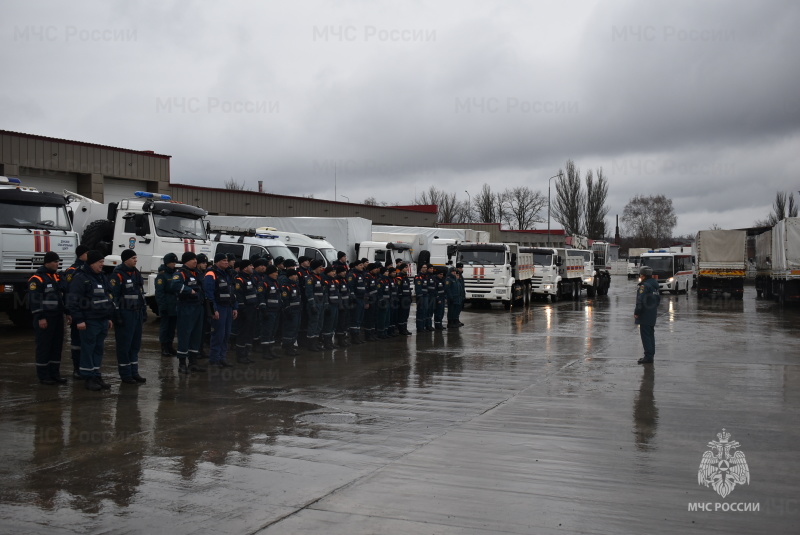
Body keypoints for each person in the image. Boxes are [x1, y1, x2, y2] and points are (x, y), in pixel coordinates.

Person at [68, 250, 115, 391]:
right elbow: (73, 301)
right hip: (89, 320)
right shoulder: (80, 278)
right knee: (88, 349)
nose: (102, 265)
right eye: (100, 262)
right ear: (92, 263)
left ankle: (96, 375)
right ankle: (88, 377)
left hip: (101, 319)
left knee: (98, 349)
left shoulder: (101, 277)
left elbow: (107, 297)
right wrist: (79, 320)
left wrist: (108, 317)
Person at [28, 251, 67, 385]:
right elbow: (35, 300)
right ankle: (44, 376)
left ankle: (54, 374)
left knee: (56, 346)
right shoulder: (37, 279)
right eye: (55, 262)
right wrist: (40, 317)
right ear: (47, 263)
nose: (57, 264)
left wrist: (67, 313)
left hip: (57, 317)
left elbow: (62, 297)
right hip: (45, 318)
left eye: (58, 261)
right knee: (44, 346)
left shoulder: (55, 277)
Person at [110, 249, 147, 384]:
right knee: (124, 345)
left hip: (136, 312)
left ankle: (134, 372)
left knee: (135, 345)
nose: (135, 260)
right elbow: (114, 296)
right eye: (133, 258)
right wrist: (117, 315)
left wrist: (143, 311)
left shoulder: (136, 273)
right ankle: (125, 374)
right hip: (125, 313)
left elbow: (141, 294)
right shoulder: (118, 275)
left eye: (136, 258)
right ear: (125, 260)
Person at [170, 251, 207, 374]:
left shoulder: (197, 273)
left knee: (196, 335)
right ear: (186, 261)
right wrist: (188, 290)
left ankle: (193, 362)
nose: (195, 261)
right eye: (192, 259)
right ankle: (182, 364)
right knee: (185, 334)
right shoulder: (180, 273)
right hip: (186, 307)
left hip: (198, 307)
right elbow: (175, 286)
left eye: (196, 259)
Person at [204, 253, 238, 368]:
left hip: (228, 307)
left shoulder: (228, 273)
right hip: (219, 307)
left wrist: (235, 307)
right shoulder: (211, 274)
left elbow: (232, 292)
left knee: (226, 334)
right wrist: (214, 309)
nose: (226, 262)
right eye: (224, 260)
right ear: (217, 262)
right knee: (218, 334)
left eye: (227, 260)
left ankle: (222, 358)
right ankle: (214, 359)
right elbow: (209, 293)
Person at [61, 244, 89, 378]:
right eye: (87, 253)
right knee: (77, 342)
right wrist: (69, 312)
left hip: (87, 312)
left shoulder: (88, 270)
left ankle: (85, 368)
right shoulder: (72, 271)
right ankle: (76, 369)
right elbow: (67, 293)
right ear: (81, 254)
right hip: (76, 311)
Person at [233, 259, 259, 363]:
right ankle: (240, 355)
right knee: (243, 333)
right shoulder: (239, 279)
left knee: (249, 332)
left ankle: (246, 354)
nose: (252, 267)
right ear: (245, 268)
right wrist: (242, 309)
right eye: (250, 265)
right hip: (245, 310)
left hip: (252, 309)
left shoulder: (251, 278)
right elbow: (238, 295)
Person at [634, 266, 661, 365]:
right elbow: (658, 300)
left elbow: (640, 300)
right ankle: (651, 355)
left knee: (645, 336)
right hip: (652, 313)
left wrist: (637, 312)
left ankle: (648, 356)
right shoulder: (655, 285)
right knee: (650, 335)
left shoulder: (644, 286)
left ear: (643, 275)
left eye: (641, 274)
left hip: (645, 314)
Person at [155, 253, 179, 356]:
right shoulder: (162, 275)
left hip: (174, 305)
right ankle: (164, 347)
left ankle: (170, 346)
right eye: (172, 262)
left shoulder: (175, 274)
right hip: (166, 305)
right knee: (165, 327)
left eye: (175, 262)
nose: (174, 264)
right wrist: (162, 306)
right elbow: (159, 292)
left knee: (172, 328)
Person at [259, 265, 282, 359]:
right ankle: (265, 352)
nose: (277, 274)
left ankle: (271, 350)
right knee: (267, 331)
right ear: (270, 273)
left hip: (276, 310)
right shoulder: (264, 283)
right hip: (268, 311)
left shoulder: (275, 282)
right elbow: (261, 296)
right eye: (275, 272)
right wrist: (264, 309)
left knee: (273, 331)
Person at [304, 259, 326, 351]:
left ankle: (316, 342)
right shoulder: (310, 278)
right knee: (313, 324)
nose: (321, 269)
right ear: (316, 268)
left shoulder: (320, 277)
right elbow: (309, 292)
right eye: (320, 267)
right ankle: (311, 344)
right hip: (314, 304)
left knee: (319, 324)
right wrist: (312, 304)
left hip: (321, 304)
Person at [280, 268, 302, 356]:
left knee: (295, 329)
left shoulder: (295, 285)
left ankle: (291, 345)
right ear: (290, 276)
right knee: (290, 329)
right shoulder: (286, 286)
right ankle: (287, 347)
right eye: (295, 275)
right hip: (291, 311)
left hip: (297, 310)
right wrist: (287, 309)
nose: (296, 276)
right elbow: (285, 300)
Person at [346, 260, 367, 344]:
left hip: (362, 299)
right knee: (355, 318)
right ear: (356, 266)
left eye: (362, 265)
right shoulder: (352, 275)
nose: (362, 266)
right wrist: (353, 297)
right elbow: (350, 287)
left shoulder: (361, 274)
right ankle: (353, 336)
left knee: (359, 319)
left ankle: (357, 335)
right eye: (360, 265)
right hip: (356, 299)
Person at [320, 264, 339, 349]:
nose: (334, 273)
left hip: (335, 304)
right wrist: (326, 304)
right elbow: (325, 294)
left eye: (334, 271)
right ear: (327, 273)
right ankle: (326, 342)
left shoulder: (334, 281)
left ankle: (330, 341)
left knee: (333, 323)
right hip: (330, 305)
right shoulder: (325, 281)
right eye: (332, 271)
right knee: (328, 323)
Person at [394, 263, 413, 335]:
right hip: (402, 299)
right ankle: (401, 329)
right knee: (401, 315)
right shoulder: (399, 277)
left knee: (406, 314)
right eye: (405, 267)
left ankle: (404, 328)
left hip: (407, 298)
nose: (407, 269)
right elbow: (398, 289)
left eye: (407, 267)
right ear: (402, 268)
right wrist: (400, 298)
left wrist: (410, 297)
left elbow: (408, 289)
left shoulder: (406, 277)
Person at [414, 264, 430, 333]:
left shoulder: (426, 276)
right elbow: (418, 288)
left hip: (426, 296)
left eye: (426, 267)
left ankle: (423, 326)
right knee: (420, 311)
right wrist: (420, 296)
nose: (425, 269)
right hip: (421, 296)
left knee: (425, 311)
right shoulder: (418, 277)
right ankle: (420, 327)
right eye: (424, 267)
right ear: (420, 268)